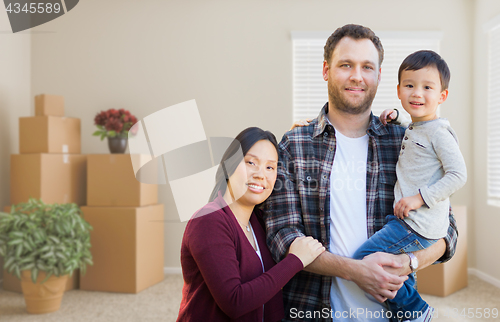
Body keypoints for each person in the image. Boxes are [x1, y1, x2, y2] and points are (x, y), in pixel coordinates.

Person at [263, 24, 459, 322]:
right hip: (313, 311)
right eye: (346, 65)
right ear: (326, 70)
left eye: (367, 66)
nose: (357, 76)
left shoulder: (403, 140)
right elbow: (281, 236)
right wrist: (357, 271)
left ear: (379, 75)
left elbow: (447, 229)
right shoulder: (295, 145)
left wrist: (409, 262)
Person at [350, 50, 467, 321]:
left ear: (442, 96)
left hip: (417, 222)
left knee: (364, 259)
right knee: (400, 272)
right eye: (410, 85)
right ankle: (406, 315)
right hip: (407, 219)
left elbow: (458, 174)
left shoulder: (440, 132)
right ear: (399, 91)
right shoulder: (417, 126)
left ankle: (415, 311)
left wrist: (419, 198)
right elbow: (416, 137)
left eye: (427, 87)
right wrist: (397, 119)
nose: (417, 93)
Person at [177, 127, 326, 322]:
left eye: (270, 167)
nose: (260, 174)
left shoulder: (259, 221)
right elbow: (235, 302)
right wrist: (295, 260)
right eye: (251, 162)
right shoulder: (208, 221)